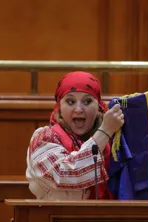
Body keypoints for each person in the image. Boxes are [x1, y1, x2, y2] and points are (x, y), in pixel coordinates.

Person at [25, 71, 124, 200]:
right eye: (70, 102)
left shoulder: (114, 139)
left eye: (87, 101)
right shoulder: (44, 138)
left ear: (99, 106)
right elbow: (66, 174)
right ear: (59, 106)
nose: (78, 109)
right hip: (56, 218)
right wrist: (104, 131)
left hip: (106, 217)